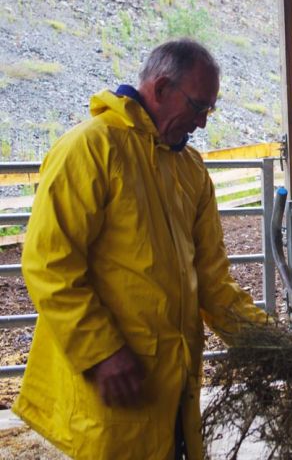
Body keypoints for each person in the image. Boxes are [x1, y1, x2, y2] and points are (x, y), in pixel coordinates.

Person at [12, 38, 271, 460]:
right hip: (114, 385)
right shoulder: (91, 148)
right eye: (198, 106)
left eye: (210, 110)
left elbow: (213, 282)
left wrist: (267, 343)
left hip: (173, 387)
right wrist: (101, 352)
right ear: (162, 89)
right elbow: (48, 264)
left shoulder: (190, 170)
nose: (203, 123)